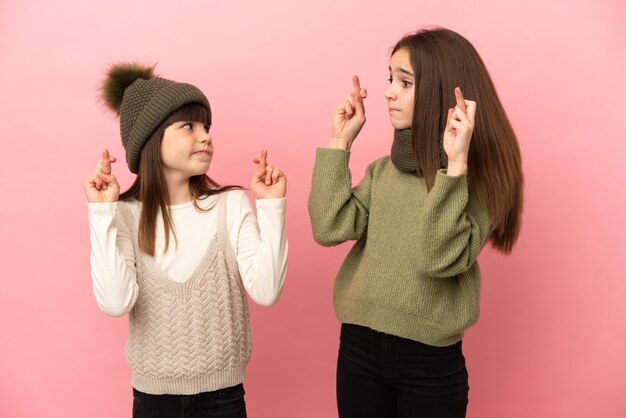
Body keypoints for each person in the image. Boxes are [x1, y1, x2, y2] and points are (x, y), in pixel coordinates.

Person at [308, 27, 523, 418]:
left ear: (440, 91)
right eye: (390, 78)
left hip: (430, 362)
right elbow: (328, 227)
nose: (389, 91)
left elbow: (436, 258)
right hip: (358, 349)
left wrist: (455, 167)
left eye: (405, 82)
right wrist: (339, 143)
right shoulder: (383, 172)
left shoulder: (481, 186)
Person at [83, 63, 288, 418]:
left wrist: (271, 207)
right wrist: (102, 214)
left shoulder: (230, 205)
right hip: (151, 402)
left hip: (223, 399)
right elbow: (116, 303)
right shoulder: (126, 216)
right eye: (189, 126)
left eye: (207, 126)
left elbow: (266, 291)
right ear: (150, 138)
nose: (205, 136)